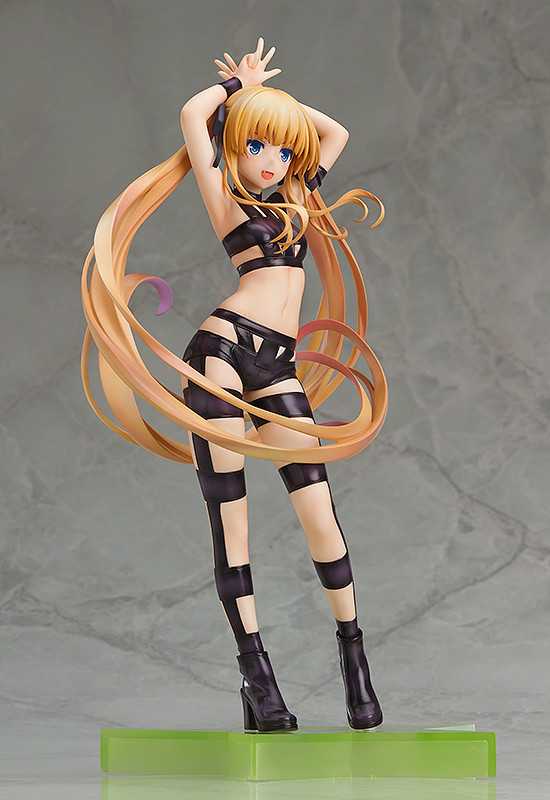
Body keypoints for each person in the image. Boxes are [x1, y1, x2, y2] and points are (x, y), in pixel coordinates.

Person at [81, 36, 388, 734]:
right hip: (222, 350)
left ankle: (354, 659)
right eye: (257, 146)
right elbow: (193, 115)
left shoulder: (300, 196)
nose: (272, 160)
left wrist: (274, 108)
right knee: (233, 520)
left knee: (319, 511)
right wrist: (238, 92)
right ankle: (258, 675)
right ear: (236, 147)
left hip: (277, 363)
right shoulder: (224, 197)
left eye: (282, 150)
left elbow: (335, 132)